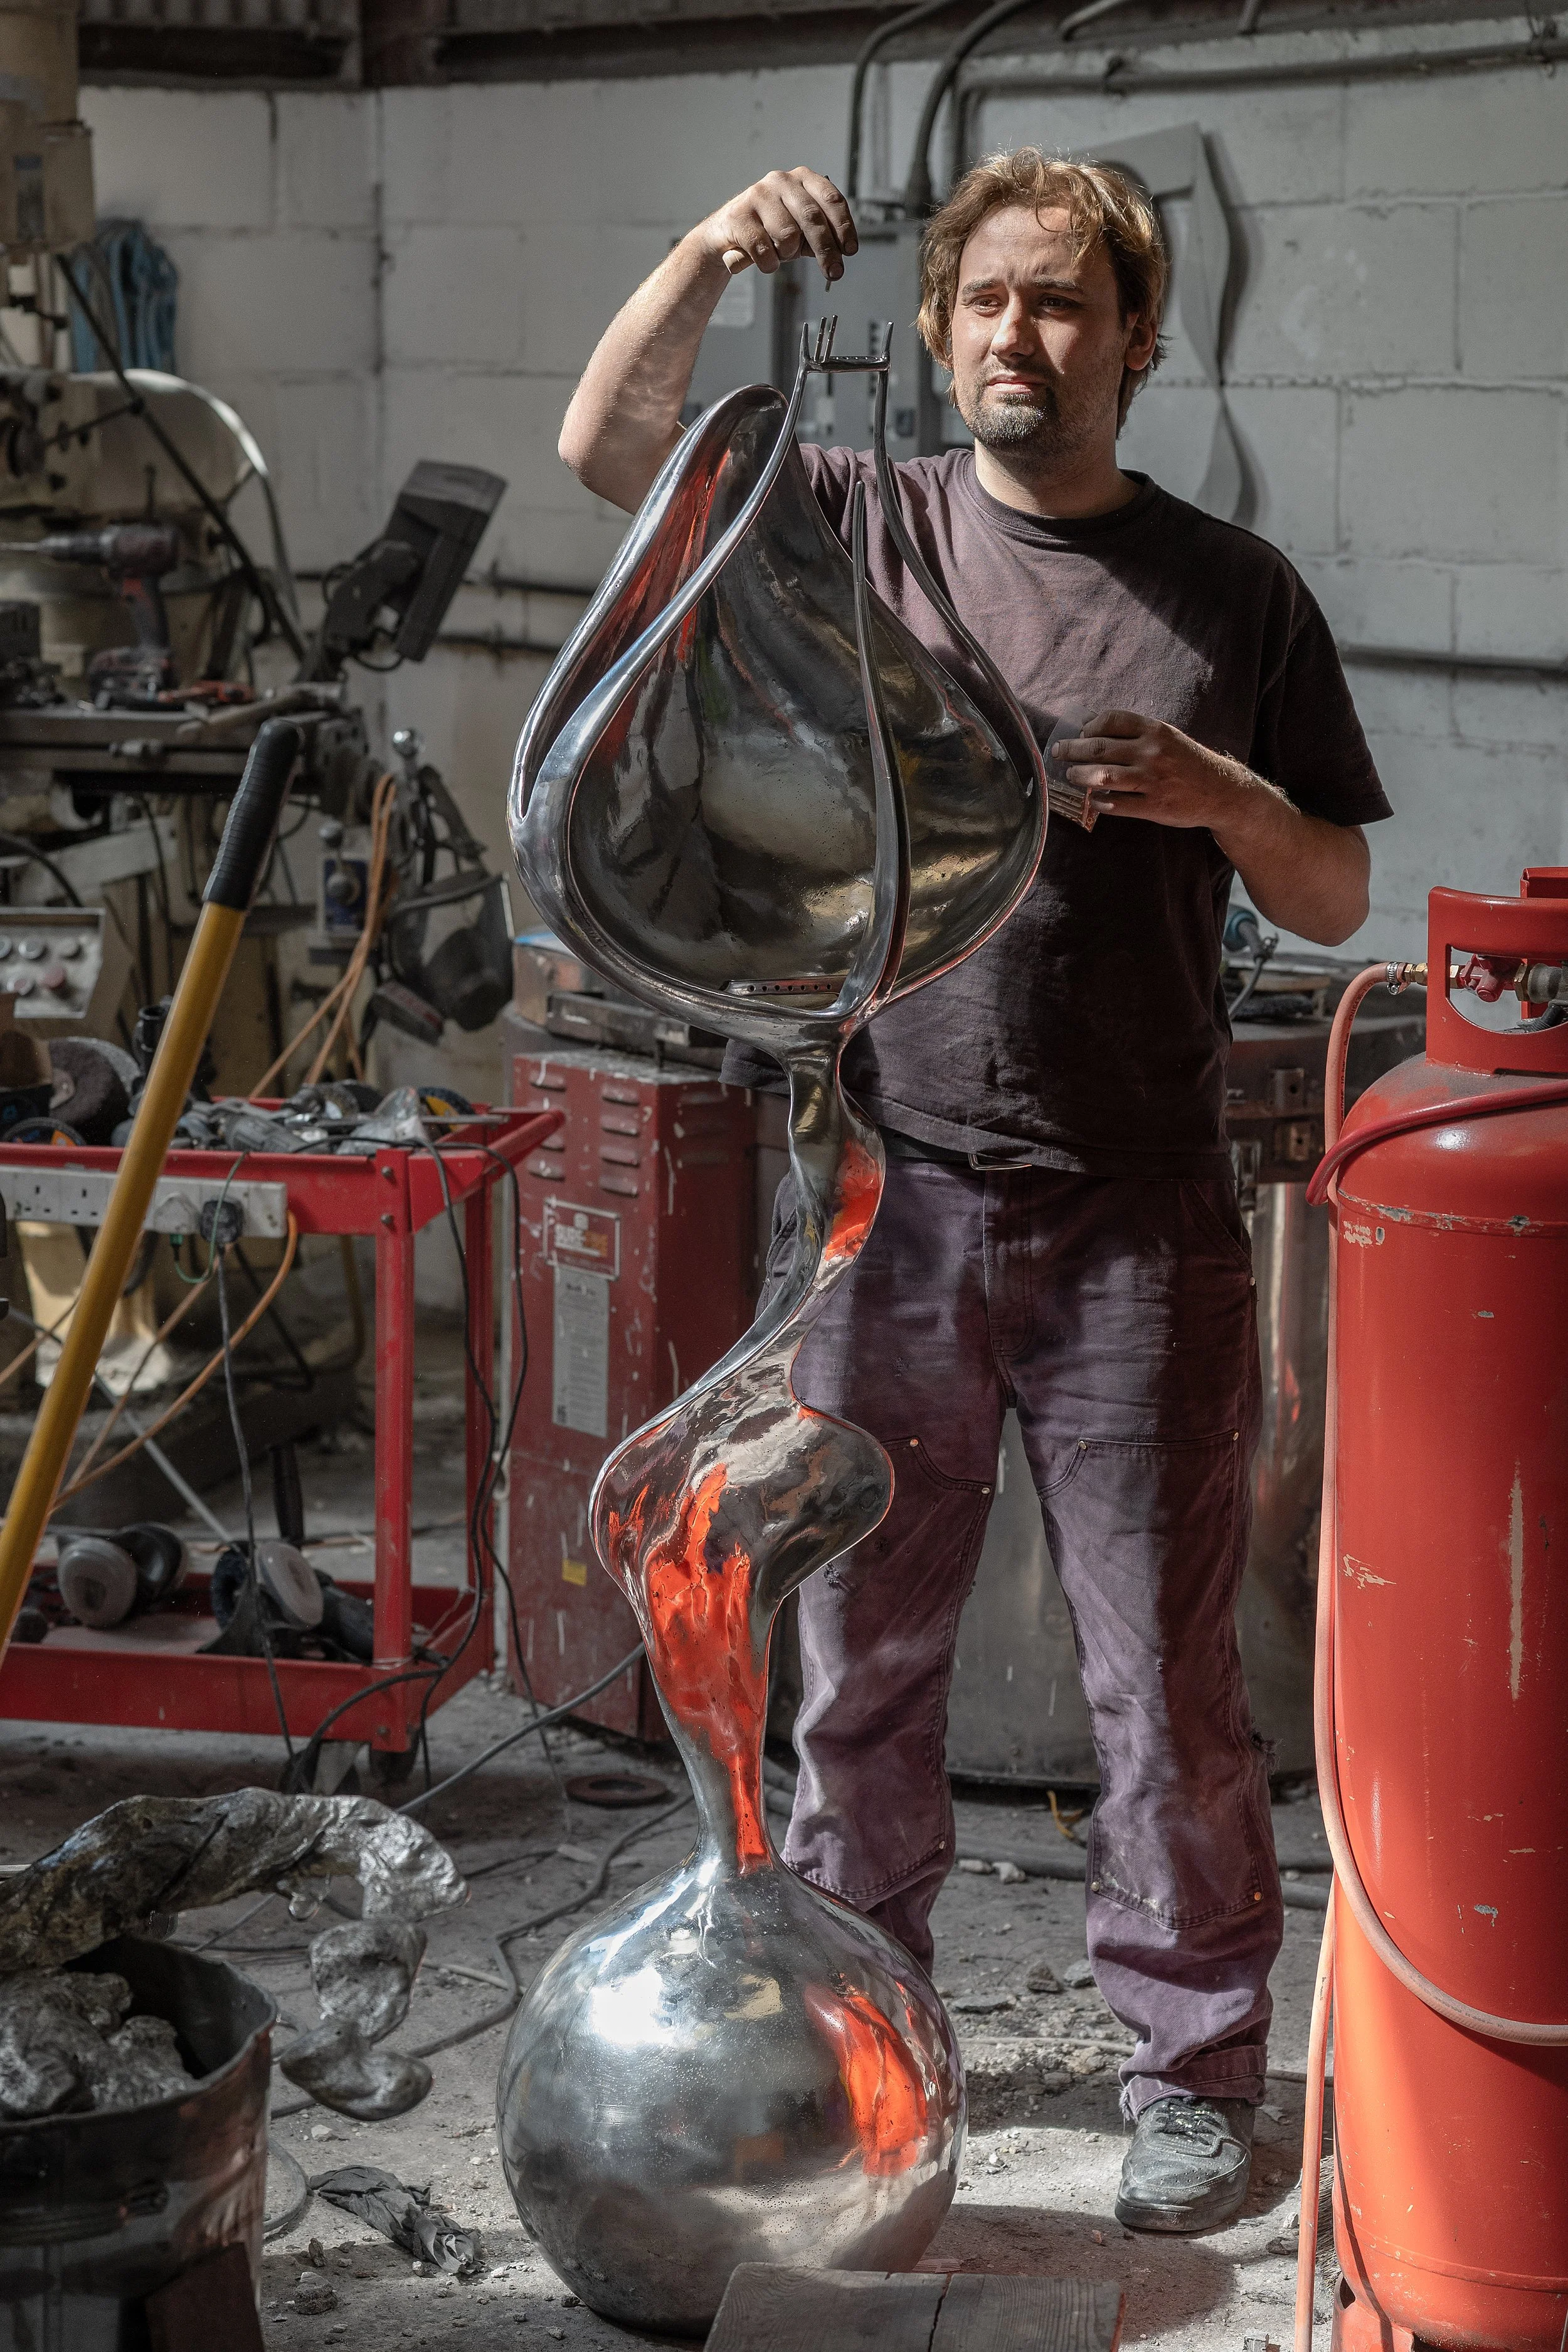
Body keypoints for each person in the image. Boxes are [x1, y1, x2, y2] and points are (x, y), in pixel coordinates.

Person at [556, 149, 1391, 2235]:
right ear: (936, 333)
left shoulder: (1233, 592)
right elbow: (608, 451)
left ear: (1134, 335)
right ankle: (869, 2030)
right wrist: (698, 250)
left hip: (1140, 1218)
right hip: (886, 1201)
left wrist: (1213, 789)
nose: (1023, 340)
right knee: (861, 1664)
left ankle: (1192, 2066)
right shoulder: (861, 524)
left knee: (1162, 1680)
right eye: (990, 304)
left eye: (1064, 305)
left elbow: (1337, 883)